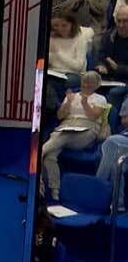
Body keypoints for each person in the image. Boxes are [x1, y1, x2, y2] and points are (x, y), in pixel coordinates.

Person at [41, 71, 107, 200]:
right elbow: (60, 116)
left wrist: (85, 103)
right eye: (84, 82)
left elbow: (93, 116)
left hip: (87, 130)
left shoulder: (100, 98)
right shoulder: (72, 96)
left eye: (90, 83)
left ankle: (40, 152)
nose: (86, 85)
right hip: (67, 125)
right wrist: (68, 103)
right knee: (50, 156)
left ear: (96, 85)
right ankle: (55, 190)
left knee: (59, 138)